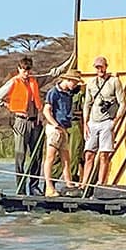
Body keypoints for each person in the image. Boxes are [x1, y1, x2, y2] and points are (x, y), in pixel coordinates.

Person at [0, 56, 68, 195]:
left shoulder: (35, 81)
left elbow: (53, 74)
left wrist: (70, 60)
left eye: (28, 70)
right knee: (20, 156)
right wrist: (8, 105)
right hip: (21, 121)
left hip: (35, 122)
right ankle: (20, 189)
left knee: (36, 156)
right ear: (19, 69)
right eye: (24, 70)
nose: (26, 72)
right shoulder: (13, 82)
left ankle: (34, 187)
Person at [41, 69, 84, 197]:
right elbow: (46, 111)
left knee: (66, 158)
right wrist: (55, 125)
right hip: (55, 129)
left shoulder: (68, 94)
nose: (75, 85)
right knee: (50, 158)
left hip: (64, 127)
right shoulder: (53, 92)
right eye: (74, 82)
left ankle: (69, 183)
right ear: (68, 80)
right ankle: (49, 187)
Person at [80, 56, 121, 189]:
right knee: (89, 154)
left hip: (107, 121)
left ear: (106, 66)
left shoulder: (114, 82)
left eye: (101, 66)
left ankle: (101, 184)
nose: (100, 69)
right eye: (97, 67)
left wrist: (116, 120)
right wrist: (85, 123)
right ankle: (84, 183)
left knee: (104, 154)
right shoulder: (91, 83)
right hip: (93, 121)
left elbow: (123, 103)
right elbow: (87, 103)